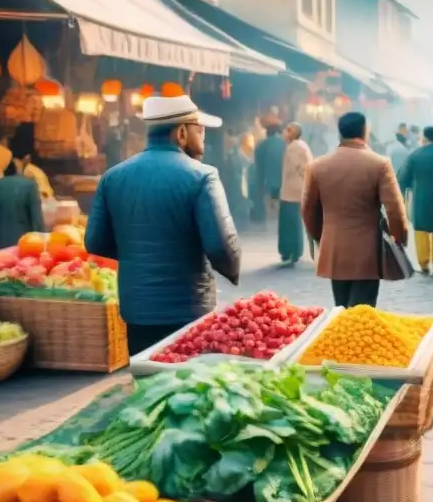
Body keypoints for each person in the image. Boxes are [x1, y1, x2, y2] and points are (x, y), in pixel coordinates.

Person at [85, 96, 241, 355]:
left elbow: (94, 242)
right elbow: (220, 246)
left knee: (148, 383)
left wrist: (137, 255)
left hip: (137, 309)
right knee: (186, 385)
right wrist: (232, 271)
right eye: (199, 130)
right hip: (188, 308)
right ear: (181, 132)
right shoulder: (202, 175)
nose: (204, 139)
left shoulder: (112, 177)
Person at [302, 112, 407, 308]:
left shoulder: (317, 166)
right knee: (362, 312)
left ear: (340, 132)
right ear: (364, 131)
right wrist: (399, 237)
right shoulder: (379, 164)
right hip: (367, 250)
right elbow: (395, 209)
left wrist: (322, 237)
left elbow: (308, 210)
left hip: (334, 247)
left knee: (340, 307)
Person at [398, 126, 433, 276]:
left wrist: (403, 192)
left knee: (420, 230)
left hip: (420, 198)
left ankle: (424, 262)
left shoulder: (415, 155)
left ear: (423, 137)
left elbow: (403, 178)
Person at [278, 122, 313, 266]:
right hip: (296, 190)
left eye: (289, 130)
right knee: (295, 223)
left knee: (289, 223)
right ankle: (293, 251)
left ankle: (290, 251)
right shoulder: (301, 146)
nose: (285, 132)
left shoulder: (295, 147)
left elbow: (301, 168)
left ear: (295, 133)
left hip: (292, 192)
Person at [0, 160, 45, 250]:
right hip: (23, 247)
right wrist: (43, 243)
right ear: (17, 169)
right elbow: (36, 219)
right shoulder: (29, 185)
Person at [254, 122, 286, 222]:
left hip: (267, 184)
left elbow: (258, 169)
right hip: (284, 185)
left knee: (270, 209)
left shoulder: (261, 146)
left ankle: (270, 230)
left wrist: (259, 186)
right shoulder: (285, 144)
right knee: (281, 210)